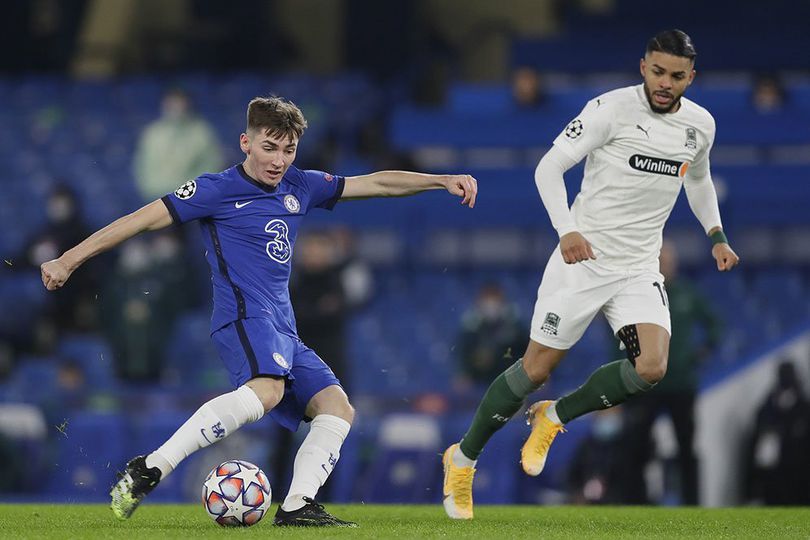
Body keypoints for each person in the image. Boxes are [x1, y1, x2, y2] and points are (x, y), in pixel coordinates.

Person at [41, 96, 478, 526]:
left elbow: (377, 183)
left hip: (283, 328)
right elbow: (138, 220)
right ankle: (149, 468)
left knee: (337, 407)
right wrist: (69, 259)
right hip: (243, 317)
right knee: (266, 392)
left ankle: (297, 505)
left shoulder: (300, 186)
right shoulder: (214, 189)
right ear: (245, 143)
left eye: (288, 150)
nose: (279, 160)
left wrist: (440, 179)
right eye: (270, 148)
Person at [441, 29, 739, 520]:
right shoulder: (610, 110)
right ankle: (463, 458)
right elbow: (548, 168)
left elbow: (700, 178)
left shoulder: (700, 125)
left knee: (652, 368)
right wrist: (567, 230)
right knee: (536, 369)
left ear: (692, 77)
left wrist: (717, 235)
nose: (666, 83)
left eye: (677, 76)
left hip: (639, 266)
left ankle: (554, 416)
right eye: (658, 71)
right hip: (582, 259)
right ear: (643, 66)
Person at [622, 239, 721, 505]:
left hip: (681, 383)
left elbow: (714, 324)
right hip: (647, 384)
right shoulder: (641, 295)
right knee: (636, 447)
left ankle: (691, 503)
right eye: (662, 262)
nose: (666, 266)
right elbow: (619, 332)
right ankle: (635, 503)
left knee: (686, 446)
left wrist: (703, 351)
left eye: (669, 262)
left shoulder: (688, 293)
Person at [133, 88, 224, 202]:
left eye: (179, 102)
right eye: (171, 102)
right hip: (155, 198)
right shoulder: (153, 133)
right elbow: (142, 168)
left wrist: (190, 193)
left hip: (191, 199)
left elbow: (211, 166)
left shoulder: (201, 132)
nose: (175, 106)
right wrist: (152, 193)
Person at [454, 283, 528, 393]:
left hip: (510, 377)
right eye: (487, 300)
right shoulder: (471, 327)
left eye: (495, 299)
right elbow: (462, 353)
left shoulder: (514, 325)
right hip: (479, 379)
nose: (491, 305)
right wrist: (463, 374)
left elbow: (525, 350)